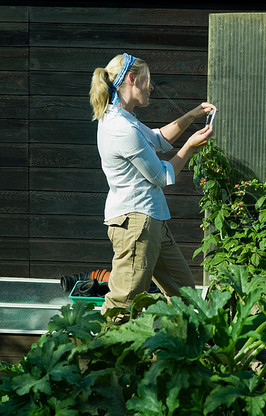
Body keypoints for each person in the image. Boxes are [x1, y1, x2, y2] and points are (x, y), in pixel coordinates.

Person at [89, 53, 216, 317]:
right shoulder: (120, 128)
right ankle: (102, 355)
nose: (152, 87)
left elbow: (158, 138)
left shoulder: (126, 120)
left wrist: (192, 114)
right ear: (133, 79)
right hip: (135, 224)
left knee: (185, 294)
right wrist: (190, 148)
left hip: (150, 220)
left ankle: (184, 353)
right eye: (149, 80)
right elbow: (160, 175)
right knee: (124, 303)